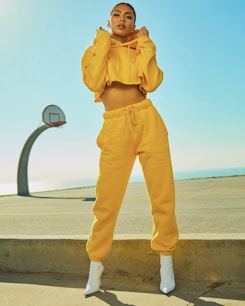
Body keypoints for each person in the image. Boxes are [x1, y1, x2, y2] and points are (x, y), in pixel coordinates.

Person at [81, 2, 179, 296]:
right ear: (108, 20)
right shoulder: (94, 50)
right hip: (115, 127)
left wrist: (146, 44)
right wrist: (102, 42)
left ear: (135, 22)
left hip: (147, 119)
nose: (122, 19)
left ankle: (166, 260)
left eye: (129, 16)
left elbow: (152, 81)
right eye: (117, 15)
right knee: (106, 202)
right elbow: (93, 81)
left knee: (163, 195)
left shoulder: (141, 47)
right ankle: (95, 266)